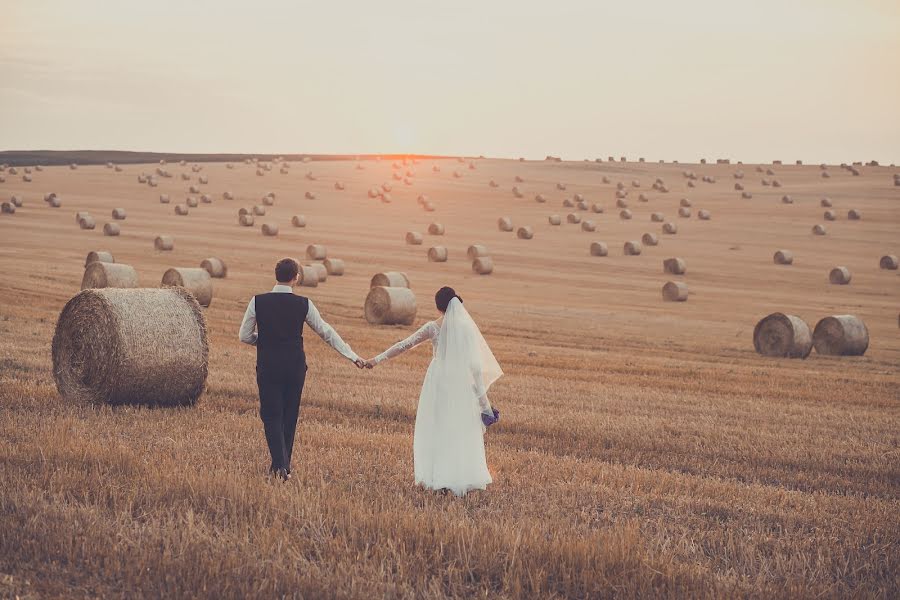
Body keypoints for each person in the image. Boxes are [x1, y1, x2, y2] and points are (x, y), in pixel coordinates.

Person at [364, 287, 502, 496]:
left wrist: (377, 359)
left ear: (438, 306)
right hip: (460, 381)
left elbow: (404, 345)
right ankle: (460, 476)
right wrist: (484, 404)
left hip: (438, 382)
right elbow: (475, 367)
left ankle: (440, 476)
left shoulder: (433, 327)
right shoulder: (467, 328)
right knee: (459, 428)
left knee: (437, 427)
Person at [240, 257, 364, 481]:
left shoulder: (257, 301)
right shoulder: (304, 304)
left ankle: (280, 466)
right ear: (296, 277)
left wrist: (265, 340)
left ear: (275, 275)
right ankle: (282, 466)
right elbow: (326, 332)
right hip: (295, 367)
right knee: (289, 415)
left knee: (271, 415)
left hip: (268, 366)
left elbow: (244, 336)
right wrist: (352, 355)